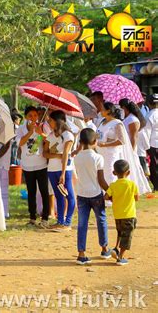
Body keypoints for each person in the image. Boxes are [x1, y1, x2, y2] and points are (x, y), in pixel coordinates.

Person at [74, 128, 111, 265]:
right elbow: (101, 180)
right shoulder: (98, 157)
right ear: (95, 141)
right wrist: (110, 192)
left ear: (80, 142)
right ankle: (104, 248)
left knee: (82, 224)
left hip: (82, 193)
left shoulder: (77, 158)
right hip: (96, 193)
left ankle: (81, 253)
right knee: (101, 220)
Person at [97, 103, 151, 195]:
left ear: (108, 111)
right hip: (101, 152)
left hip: (111, 153)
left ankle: (114, 195)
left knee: (110, 173)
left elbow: (122, 141)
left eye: (102, 109)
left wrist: (105, 144)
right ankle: (105, 194)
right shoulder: (102, 122)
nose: (100, 111)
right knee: (102, 173)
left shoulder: (117, 123)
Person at [15, 106, 50, 228]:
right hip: (27, 165)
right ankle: (32, 217)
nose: (34, 118)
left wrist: (42, 134)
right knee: (31, 192)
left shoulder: (42, 127)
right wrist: (30, 132)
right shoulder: (20, 129)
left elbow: (50, 140)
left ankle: (45, 217)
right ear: (25, 117)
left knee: (44, 191)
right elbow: (19, 143)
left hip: (41, 164)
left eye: (36, 115)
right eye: (30, 116)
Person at [43, 110, 76, 231]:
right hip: (51, 169)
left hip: (65, 169)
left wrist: (62, 173)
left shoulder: (68, 135)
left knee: (69, 195)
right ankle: (60, 221)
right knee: (58, 196)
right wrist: (57, 156)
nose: (48, 122)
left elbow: (66, 154)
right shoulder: (51, 136)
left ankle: (67, 222)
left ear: (57, 121)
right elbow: (45, 154)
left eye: (50, 120)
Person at [105, 160, 138, 266]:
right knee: (127, 236)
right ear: (128, 172)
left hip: (118, 215)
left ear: (114, 173)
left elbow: (106, 197)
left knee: (120, 233)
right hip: (129, 215)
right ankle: (121, 257)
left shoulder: (113, 185)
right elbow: (136, 198)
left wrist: (112, 199)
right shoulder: (132, 184)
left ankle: (116, 249)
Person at [145, 94, 158, 192]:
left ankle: (157, 186)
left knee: (154, 166)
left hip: (153, 144)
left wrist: (145, 147)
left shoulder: (149, 115)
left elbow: (146, 133)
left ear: (149, 103)